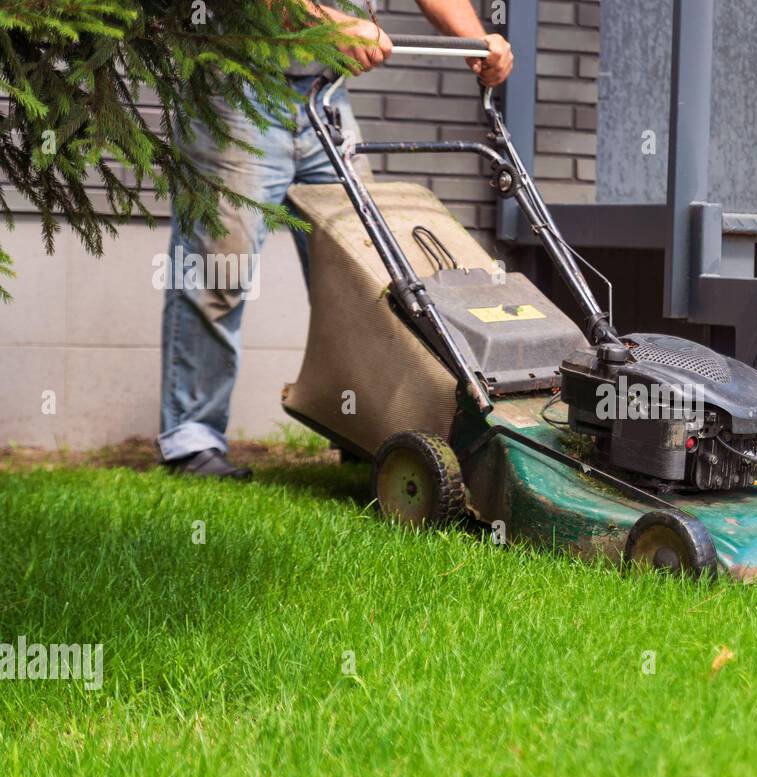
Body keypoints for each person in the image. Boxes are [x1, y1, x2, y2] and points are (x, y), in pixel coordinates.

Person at [159, 0, 513, 478]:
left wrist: (477, 42)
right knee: (220, 271)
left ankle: (362, 428)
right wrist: (330, 25)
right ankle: (193, 441)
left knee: (368, 275)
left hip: (326, 98)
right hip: (235, 86)